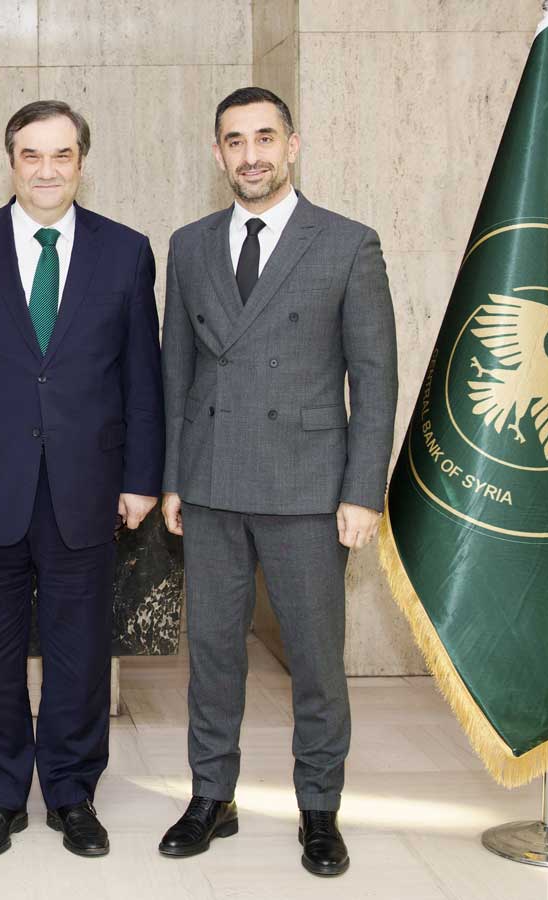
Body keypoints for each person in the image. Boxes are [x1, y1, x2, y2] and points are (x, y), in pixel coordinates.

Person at [0, 100, 164, 859]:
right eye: (31, 155)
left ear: (82, 160)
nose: (46, 170)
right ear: (9, 160)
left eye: (61, 154)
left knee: (80, 651)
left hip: (88, 484)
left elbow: (142, 378)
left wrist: (142, 477)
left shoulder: (126, 251)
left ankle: (73, 794)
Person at [157, 86, 398, 877]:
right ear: (217, 152)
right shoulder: (190, 246)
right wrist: (172, 480)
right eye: (234, 140)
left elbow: (375, 376)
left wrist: (364, 491)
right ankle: (210, 796)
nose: (250, 154)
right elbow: (176, 376)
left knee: (316, 662)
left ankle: (320, 810)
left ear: (292, 146)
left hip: (308, 490)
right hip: (215, 483)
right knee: (214, 653)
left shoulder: (347, 243)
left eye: (265, 137)